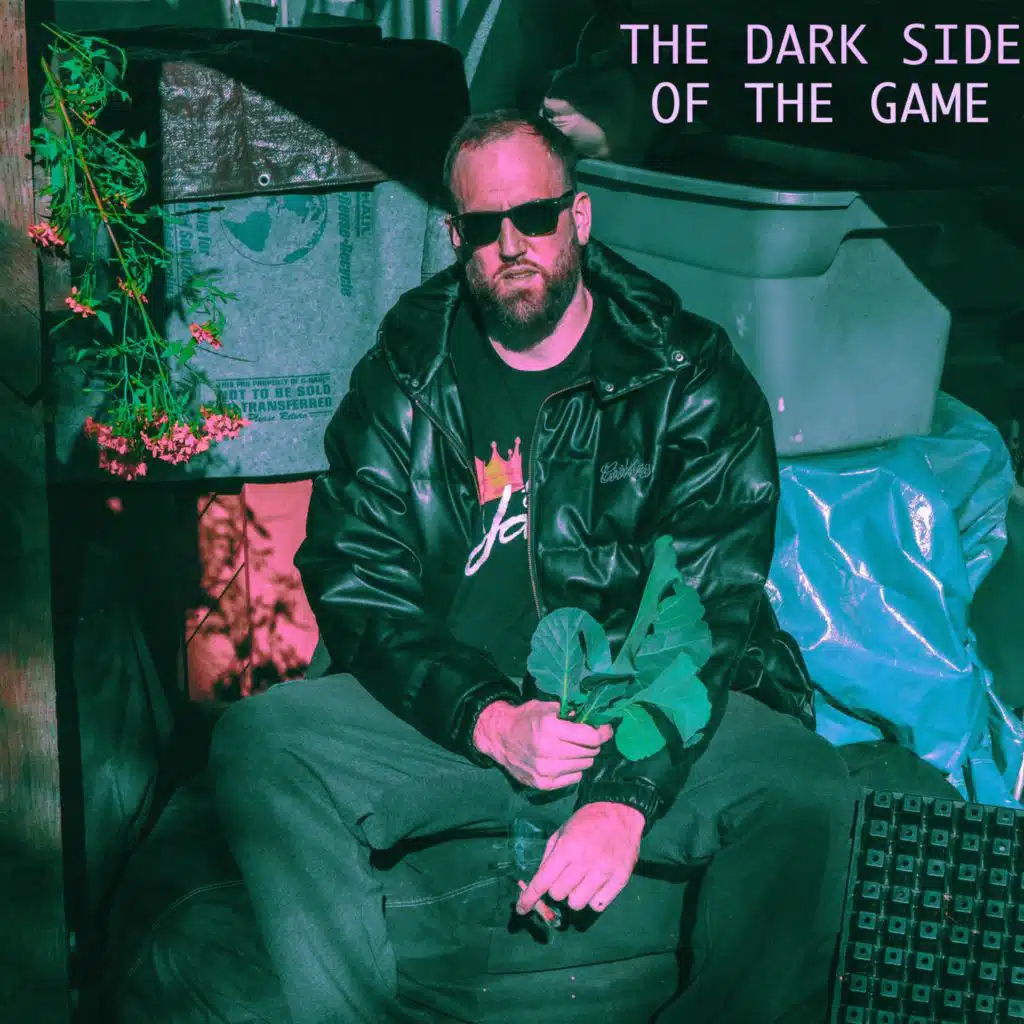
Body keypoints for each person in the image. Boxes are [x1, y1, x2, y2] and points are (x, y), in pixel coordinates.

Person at [209, 109, 857, 1024]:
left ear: (578, 218)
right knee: (260, 743)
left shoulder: (687, 375)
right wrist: (489, 718)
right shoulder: (403, 377)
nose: (512, 244)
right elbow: (359, 585)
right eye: (484, 226)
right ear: (455, 238)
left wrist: (625, 796)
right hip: (465, 719)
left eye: (536, 216)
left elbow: (706, 604)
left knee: (807, 788)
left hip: (628, 716)